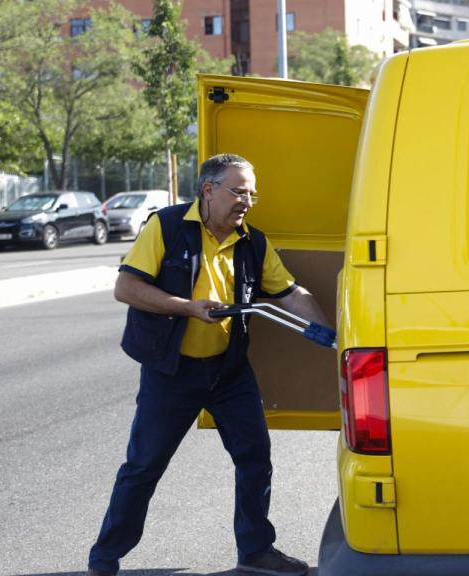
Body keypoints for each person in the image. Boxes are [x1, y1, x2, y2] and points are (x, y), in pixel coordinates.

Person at [87, 154, 332, 576]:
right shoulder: (164, 227)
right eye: (239, 191)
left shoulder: (253, 241)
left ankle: (256, 551)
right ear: (208, 190)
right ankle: (105, 557)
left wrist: (334, 336)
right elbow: (126, 288)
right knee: (144, 465)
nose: (247, 202)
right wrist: (186, 307)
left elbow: (291, 293)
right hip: (173, 371)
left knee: (255, 458)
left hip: (228, 370)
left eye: (252, 194)